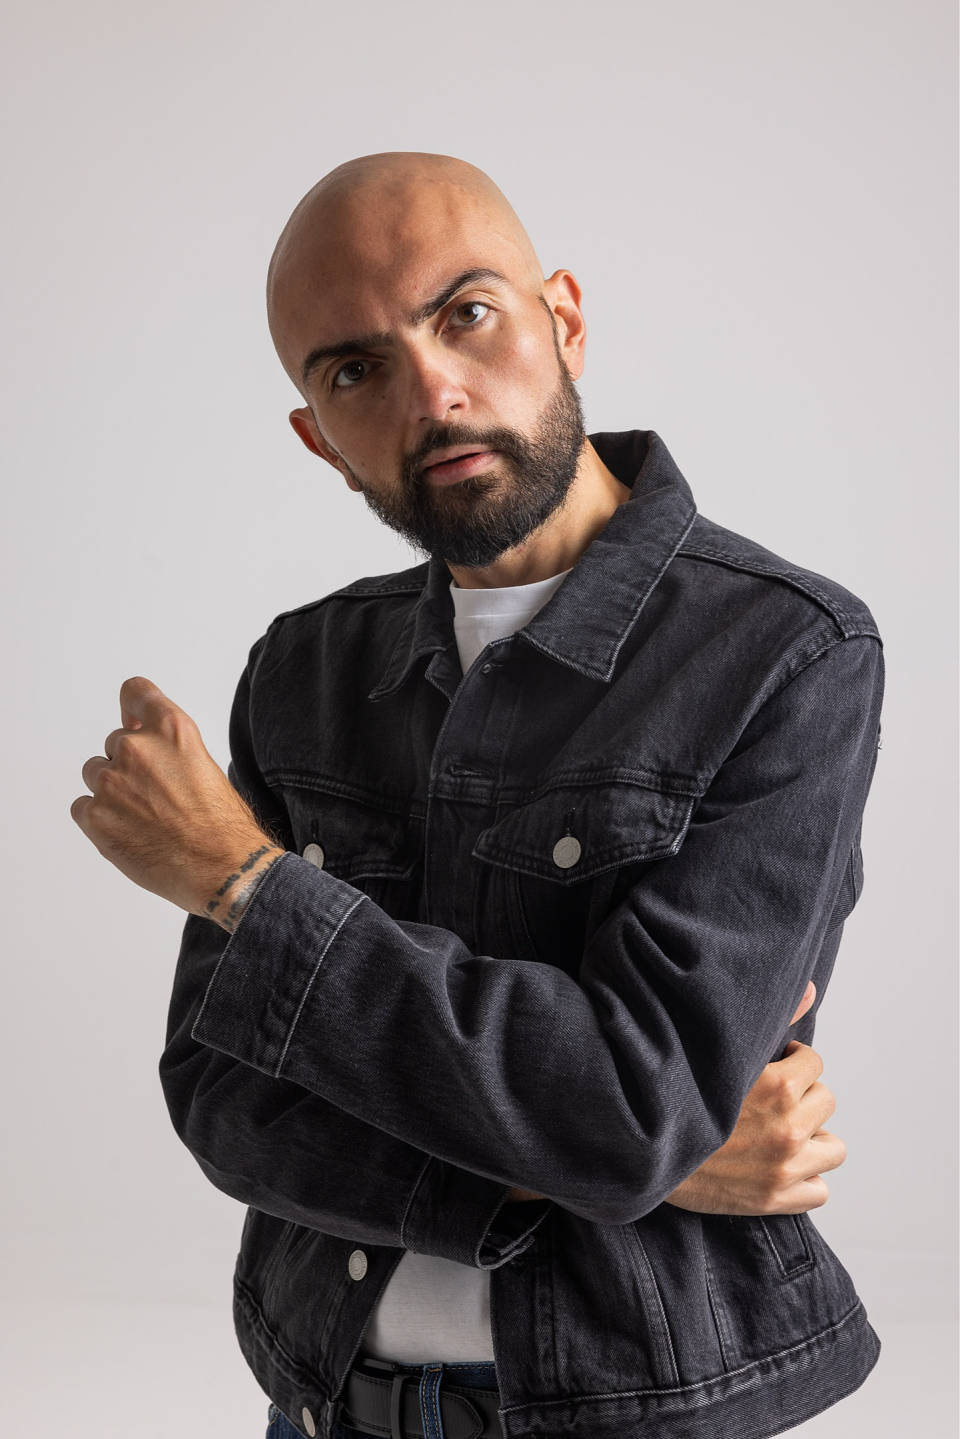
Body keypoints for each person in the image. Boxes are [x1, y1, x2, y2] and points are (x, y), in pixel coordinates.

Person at [70, 151, 884, 1439]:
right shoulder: (304, 671)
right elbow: (222, 1103)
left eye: (465, 313)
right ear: (318, 438)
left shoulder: (786, 653)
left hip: (635, 1412)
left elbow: (630, 1104)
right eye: (355, 370)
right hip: (325, 1398)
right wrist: (640, 1172)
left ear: (561, 317)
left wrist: (248, 884)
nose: (433, 393)